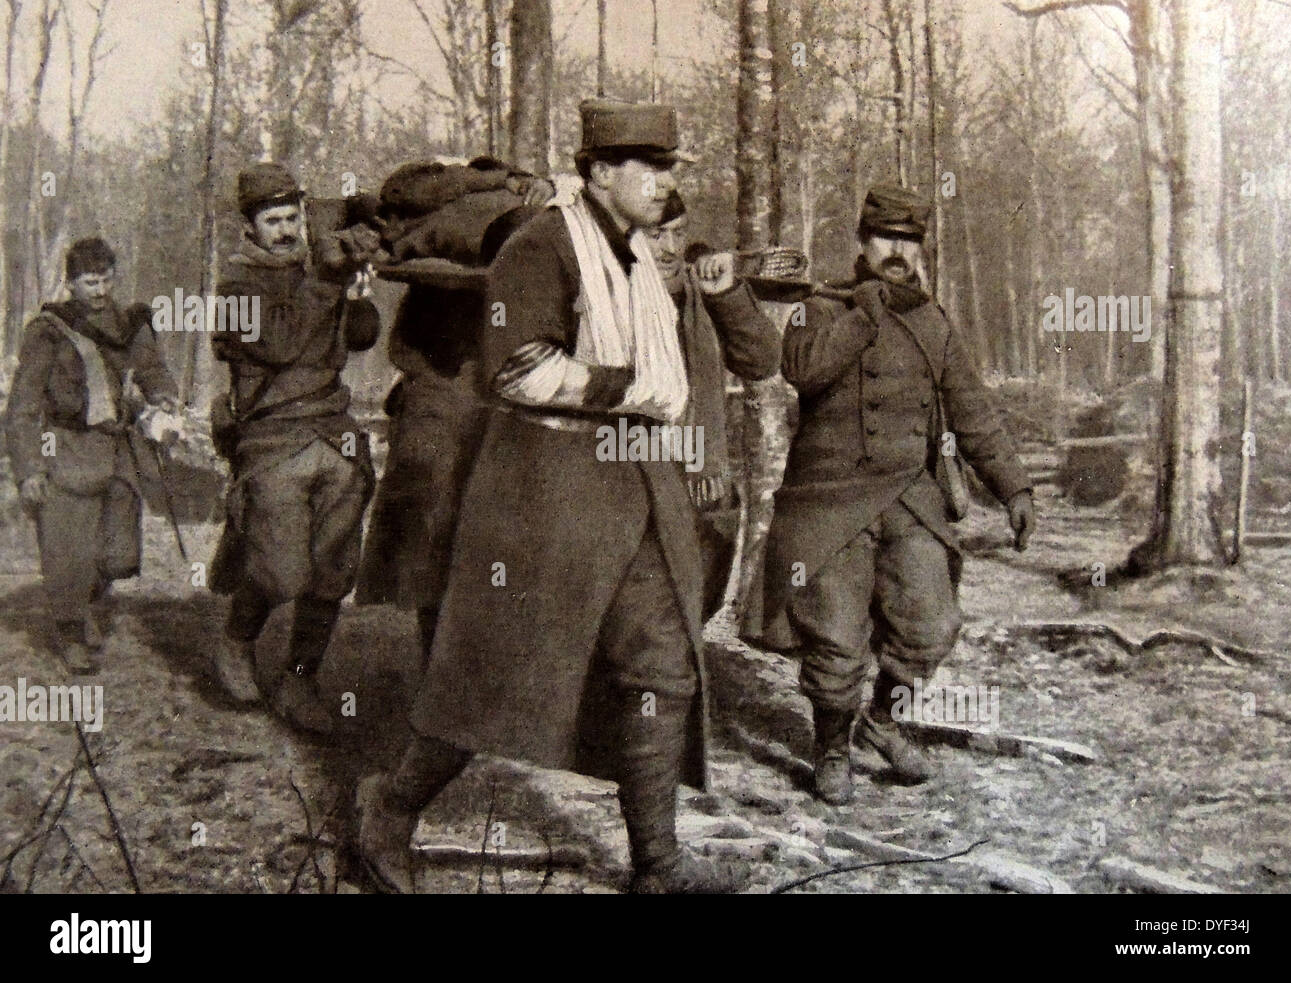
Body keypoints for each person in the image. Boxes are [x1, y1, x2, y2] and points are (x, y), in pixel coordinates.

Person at [356, 100, 749, 894]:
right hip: (547, 486)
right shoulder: (543, 245)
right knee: (490, 678)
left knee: (664, 667)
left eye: (672, 166)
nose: (667, 181)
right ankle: (387, 810)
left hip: (639, 480)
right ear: (601, 171)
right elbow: (518, 368)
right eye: (653, 165)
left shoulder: (637, 255)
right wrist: (629, 388)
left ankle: (658, 864)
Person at [759, 185, 1036, 804]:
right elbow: (803, 371)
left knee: (931, 624)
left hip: (910, 497)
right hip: (829, 499)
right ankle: (831, 748)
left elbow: (973, 409)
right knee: (834, 636)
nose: (897, 252)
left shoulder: (933, 321)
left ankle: (880, 721)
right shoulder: (819, 306)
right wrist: (864, 313)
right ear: (862, 241)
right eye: (886, 238)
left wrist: (1013, 485)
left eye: (909, 242)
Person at [207, 162, 381, 736]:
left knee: (334, 572)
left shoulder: (317, 269)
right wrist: (328, 279)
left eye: (292, 218)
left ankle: (301, 676)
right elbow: (280, 344)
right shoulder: (234, 286)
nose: (285, 230)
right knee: (282, 574)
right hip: (272, 436)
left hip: (332, 428)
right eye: (272, 220)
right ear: (251, 227)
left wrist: (358, 284)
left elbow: (359, 338)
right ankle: (236, 640)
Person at [355, 174, 554, 663]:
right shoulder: (454, 229)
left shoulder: (542, 234)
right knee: (435, 538)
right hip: (444, 393)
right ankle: (435, 674)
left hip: (502, 405)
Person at [4, 237, 180, 674]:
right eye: (89, 282)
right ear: (70, 283)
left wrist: (163, 396)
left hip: (117, 448)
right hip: (67, 448)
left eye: (105, 280)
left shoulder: (129, 323)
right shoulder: (49, 330)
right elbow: (23, 406)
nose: (99, 291)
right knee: (69, 551)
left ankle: (85, 602)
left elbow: (153, 367)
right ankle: (70, 631)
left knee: (119, 554)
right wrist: (28, 470)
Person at [641, 191, 780, 614]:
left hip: (703, 487)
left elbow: (761, 360)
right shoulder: (612, 292)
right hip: (636, 483)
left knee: (693, 612)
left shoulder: (702, 291)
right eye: (655, 234)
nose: (669, 247)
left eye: (678, 233)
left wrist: (727, 296)